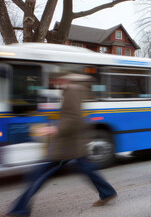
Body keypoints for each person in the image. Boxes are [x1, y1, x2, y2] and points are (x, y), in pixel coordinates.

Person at [7, 73, 117, 217]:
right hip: (73, 143)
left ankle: (20, 209)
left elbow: (74, 119)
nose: (52, 82)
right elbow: (74, 117)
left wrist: (55, 129)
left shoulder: (71, 90)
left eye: (53, 79)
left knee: (38, 174)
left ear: (60, 79)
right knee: (87, 168)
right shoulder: (75, 89)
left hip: (67, 145)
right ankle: (107, 192)